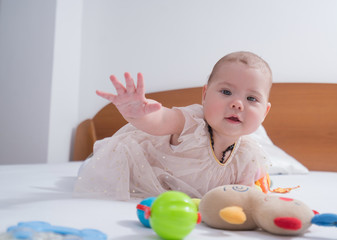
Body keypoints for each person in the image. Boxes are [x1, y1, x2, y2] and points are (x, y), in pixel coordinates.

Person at [74, 51, 272, 200]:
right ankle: (91, 160)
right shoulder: (192, 123)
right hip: (135, 172)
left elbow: (242, 196)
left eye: (251, 98)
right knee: (93, 170)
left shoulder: (249, 155)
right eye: (226, 92)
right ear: (205, 95)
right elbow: (161, 120)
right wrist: (139, 115)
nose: (237, 103)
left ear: (264, 113)